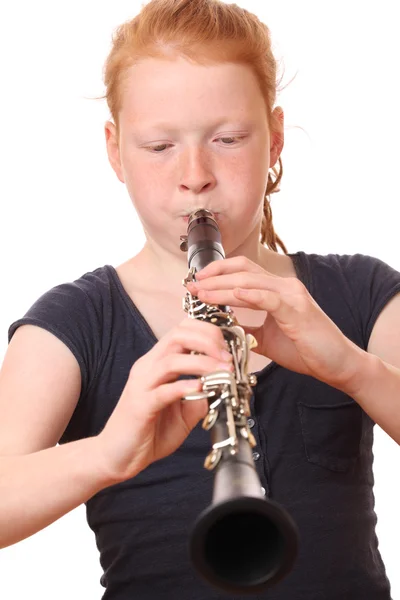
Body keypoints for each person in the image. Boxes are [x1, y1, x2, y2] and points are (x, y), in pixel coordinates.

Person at [1, 0, 400, 598]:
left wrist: (355, 370)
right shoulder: (73, 323)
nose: (195, 175)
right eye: (159, 147)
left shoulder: (363, 293)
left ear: (275, 139)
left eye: (228, 138)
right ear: (115, 151)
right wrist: (110, 453)